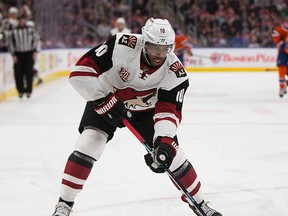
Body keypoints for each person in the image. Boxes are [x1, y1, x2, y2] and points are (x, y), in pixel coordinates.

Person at [51, 18, 222, 216]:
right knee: (88, 143)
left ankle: (200, 203)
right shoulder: (121, 45)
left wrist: (163, 141)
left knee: (173, 155)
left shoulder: (176, 73)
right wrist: (102, 99)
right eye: (153, 48)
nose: (159, 55)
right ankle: (64, 204)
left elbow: (168, 111)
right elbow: (80, 72)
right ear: (143, 42)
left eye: (164, 49)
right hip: (106, 99)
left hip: (146, 111)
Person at [7, 14, 40, 98]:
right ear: (18, 21)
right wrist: (13, 54)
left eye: (23, 19)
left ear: (25, 20)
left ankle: (29, 91)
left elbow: (36, 40)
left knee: (29, 73)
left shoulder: (31, 30)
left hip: (29, 53)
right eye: (20, 19)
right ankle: (20, 91)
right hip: (18, 54)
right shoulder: (13, 31)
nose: (21, 21)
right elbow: (10, 43)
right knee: (18, 73)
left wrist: (35, 51)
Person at [272, 22, 288, 98]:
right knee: (282, 70)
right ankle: (282, 87)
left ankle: (285, 84)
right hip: (283, 53)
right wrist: (282, 46)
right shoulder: (285, 27)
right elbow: (275, 33)